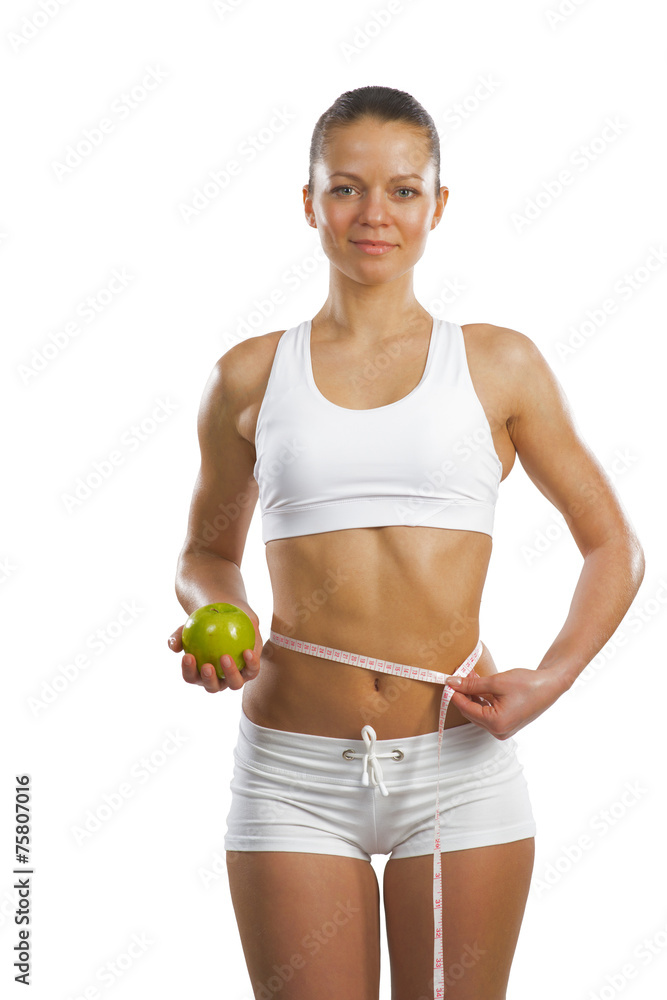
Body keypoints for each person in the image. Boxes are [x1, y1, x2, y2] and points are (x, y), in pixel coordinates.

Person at [168, 85, 645, 1000]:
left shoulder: (500, 363)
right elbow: (203, 551)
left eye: (402, 190)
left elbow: (611, 545)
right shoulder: (249, 373)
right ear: (308, 202)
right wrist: (216, 607)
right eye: (344, 189)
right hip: (291, 772)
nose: (372, 214)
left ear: (438, 204)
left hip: (455, 770)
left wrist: (550, 678)